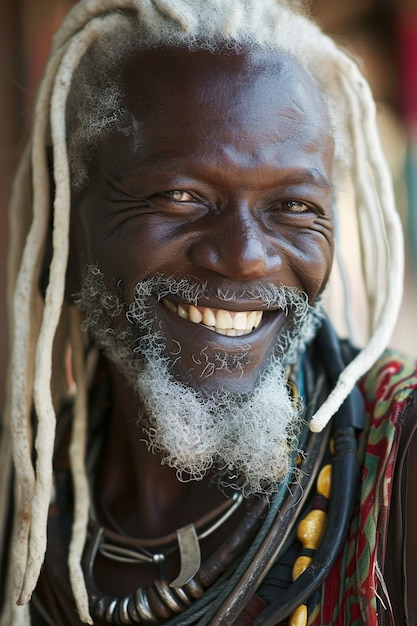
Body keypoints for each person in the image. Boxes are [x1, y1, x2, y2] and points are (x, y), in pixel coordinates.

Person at [0, 0, 416, 624]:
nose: (247, 258)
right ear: (68, 223)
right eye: (181, 195)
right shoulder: (24, 489)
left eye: (294, 206)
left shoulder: (402, 462)